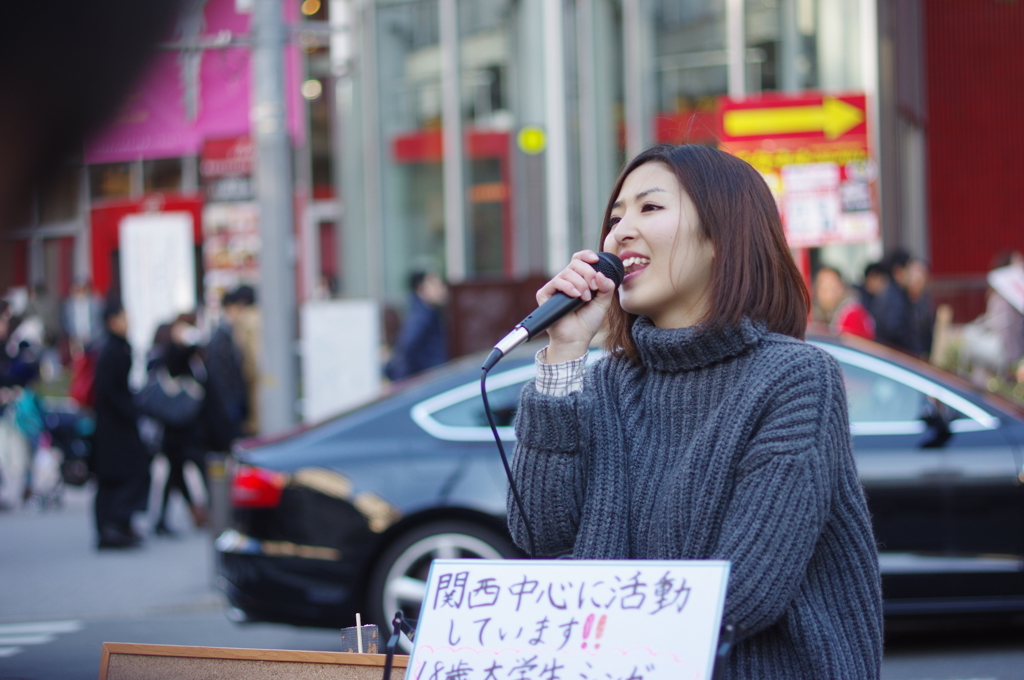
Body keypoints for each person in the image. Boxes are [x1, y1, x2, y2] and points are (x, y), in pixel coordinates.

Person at [508, 144, 882, 679]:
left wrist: (575, 630)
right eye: (615, 218)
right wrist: (564, 352)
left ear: (721, 237)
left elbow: (745, 589)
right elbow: (540, 532)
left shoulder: (795, 378)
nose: (619, 233)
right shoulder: (608, 382)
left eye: (649, 208)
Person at [92, 299, 149, 549]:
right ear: (113, 321)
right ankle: (113, 526)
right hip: (114, 427)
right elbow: (107, 391)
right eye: (126, 317)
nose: (130, 322)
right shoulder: (112, 350)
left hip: (113, 426)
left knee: (114, 477)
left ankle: (115, 526)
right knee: (126, 474)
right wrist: (131, 411)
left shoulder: (114, 347)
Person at [385, 271, 449, 380]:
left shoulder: (428, 312)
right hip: (427, 379)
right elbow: (407, 348)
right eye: (435, 285)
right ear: (421, 288)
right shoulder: (421, 316)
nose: (442, 290)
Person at [870, 250, 918, 354]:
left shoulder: (891, 293)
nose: (912, 275)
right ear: (899, 271)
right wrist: (912, 350)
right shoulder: (895, 297)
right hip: (897, 358)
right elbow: (894, 328)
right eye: (909, 270)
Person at [813, 265, 876, 339]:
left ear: (841, 286)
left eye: (832, 285)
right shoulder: (824, 313)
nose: (827, 291)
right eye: (822, 286)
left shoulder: (851, 315)